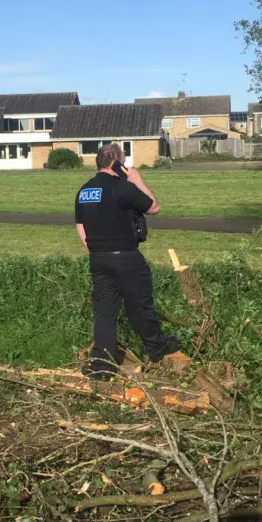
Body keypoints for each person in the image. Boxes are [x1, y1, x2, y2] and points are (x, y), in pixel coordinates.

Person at [74, 143, 180, 378]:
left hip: (98, 260)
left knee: (104, 313)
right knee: (140, 306)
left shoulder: (85, 190)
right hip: (127, 258)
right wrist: (136, 179)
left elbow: (80, 225)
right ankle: (157, 348)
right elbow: (154, 207)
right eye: (124, 159)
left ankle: (102, 365)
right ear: (116, 162)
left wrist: (95, 249)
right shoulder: (122, 187)